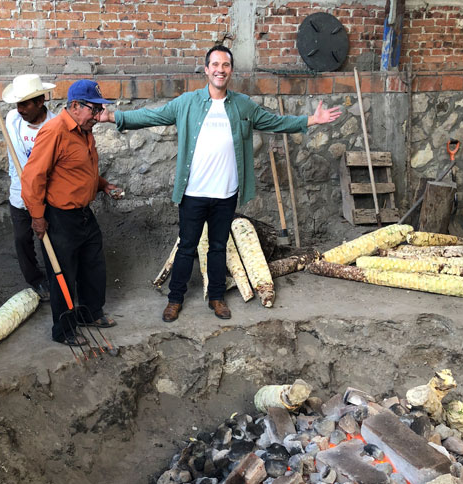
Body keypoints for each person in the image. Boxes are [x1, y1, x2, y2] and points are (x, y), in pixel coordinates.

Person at [100, 45, 341, 322]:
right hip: (193, 194)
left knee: (218, 247)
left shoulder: (243, 105)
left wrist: (311, 119)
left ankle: (216, 297)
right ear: (206, 69)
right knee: (186, 247)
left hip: (225, 194)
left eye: (225, 65)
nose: (220, 70)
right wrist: (114, 117)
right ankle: (175, 299)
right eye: (215, 64)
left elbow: (275, 122)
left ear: (230, 71)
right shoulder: (187, 103)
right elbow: (151, 116)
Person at [21, 79, 122, 346]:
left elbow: (79, 170)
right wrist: (37, 216)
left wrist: (102, 185)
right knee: (63, 274)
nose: (98, 116)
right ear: (76, 106)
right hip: (59, 218)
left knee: (93, 264)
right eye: (95, 109)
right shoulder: (54, 131)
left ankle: (90, 313)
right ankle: (63, 330)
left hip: (84, 213)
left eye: (100, 110)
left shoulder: (84, 130)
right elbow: (33, 178)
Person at [2, 74, 57, 302]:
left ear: (40, 101)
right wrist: (20, 187)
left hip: (48, 195)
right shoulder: (12, 118)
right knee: (22, 239)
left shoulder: (55, 126)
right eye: (18, 103)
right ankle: (35, 280)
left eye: (25, 104)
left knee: (50, 239)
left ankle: (58, 278)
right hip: (20, 191)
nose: (20, 109)